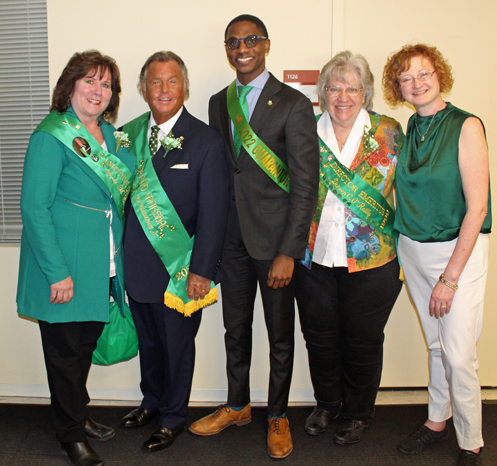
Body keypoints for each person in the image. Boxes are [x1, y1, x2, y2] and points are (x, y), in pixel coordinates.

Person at [188, 14, 318, 459]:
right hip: (232, 241)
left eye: (251, 40)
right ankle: (238, 404)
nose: (241, 48)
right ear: (226, 50)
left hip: (275, 244)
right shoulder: (216, 103)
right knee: (233, 329)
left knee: (280, 335)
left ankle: (278, 414)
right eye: (233, 42)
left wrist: (289, 251)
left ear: (266, 45)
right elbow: (225, 174)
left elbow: (305, 184)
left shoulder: (293, 103)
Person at [16, 50, 136, 466]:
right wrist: (57, 273)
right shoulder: (51, 135)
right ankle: (70, 436)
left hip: (100, 263)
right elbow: (34, 208)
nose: (98, 90)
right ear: (70, 86)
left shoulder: (112, 138)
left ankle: (76, 415)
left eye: (106, 84)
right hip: (63, 268)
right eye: (90, 81)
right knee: (65, 356)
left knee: (83, 347)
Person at [382, 44, 491, 466]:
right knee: (436, 344)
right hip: (413, 248)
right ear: (399, 89)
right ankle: (436, 420)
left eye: (423, 73)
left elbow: (477, 207)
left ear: (439, 75)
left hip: (457, 252)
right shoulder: (410, 128)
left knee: (460, 351)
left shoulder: (466, 126)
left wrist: (449, 278)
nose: (416, 83)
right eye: (406, 78)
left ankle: (472, 441)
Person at [119, 51, 229, 453]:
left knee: (177, 347)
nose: (163, 89)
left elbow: (216, 214)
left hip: (182, 270)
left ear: (184, 87)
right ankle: (151, 402)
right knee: (148, 343)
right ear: (142, 89)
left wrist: (202, 269)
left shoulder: (206, 141)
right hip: (136, 265)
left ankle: (173, 417)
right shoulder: (125, 137)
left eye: (172, 81)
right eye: (155, 82)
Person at [293, 51, 403, 446]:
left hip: (373, 262)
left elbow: (406, 193)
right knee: (318, 337)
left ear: (365, 93)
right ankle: (327, 403)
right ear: (321, 93)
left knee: (363, 339)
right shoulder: (303, 129)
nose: (342, 96)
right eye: (333, 88)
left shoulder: (389, 132)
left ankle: (357, 412)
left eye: (351, 88)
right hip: (313, 259)